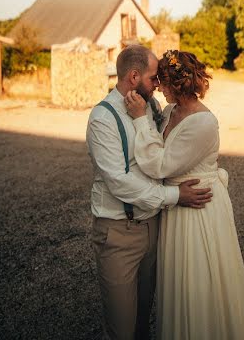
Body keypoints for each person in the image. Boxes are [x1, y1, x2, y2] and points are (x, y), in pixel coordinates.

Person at [125, 49, 244, 340]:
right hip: (177, 203)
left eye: (161, 81)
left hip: (199, 207)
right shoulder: (171, 111)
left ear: (175, 85)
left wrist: (138, 120)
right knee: (179, 280)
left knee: (199, 277)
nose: (158, 86)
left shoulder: (203, 123)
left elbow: (160, 165)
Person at [86, 45, 213, 340]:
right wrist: (175, 196)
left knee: (145, 320)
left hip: (155, 228)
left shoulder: (153, 107)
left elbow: (161, 153)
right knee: (122, 328)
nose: (158, 83)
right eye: (153, 78)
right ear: (133, 76)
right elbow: (119, 181)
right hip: (119, 233)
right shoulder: (103, 118)